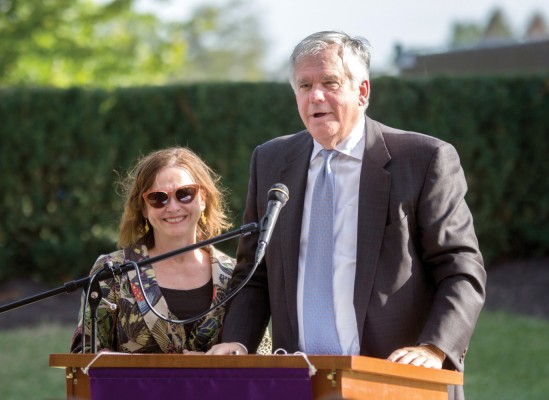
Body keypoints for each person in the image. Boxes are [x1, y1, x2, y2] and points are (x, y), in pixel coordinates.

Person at [207, 31, 486, 399]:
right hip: (301, 383)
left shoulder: (423, 160)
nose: (315, 96)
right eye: (304, 85)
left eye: (329, 82)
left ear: (363, 92)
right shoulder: (272, 161)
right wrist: (238, 342)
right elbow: (255, 273)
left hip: (397, 382)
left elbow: (461, 268)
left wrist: (434, 348)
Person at [71, 147, 240, 353]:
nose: (173, 207)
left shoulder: (235, 274)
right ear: (143, 207)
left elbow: (259, 356)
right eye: (158, 198)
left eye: (184, 194)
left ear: (202, 198)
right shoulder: (112, 272)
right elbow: (84, 357)